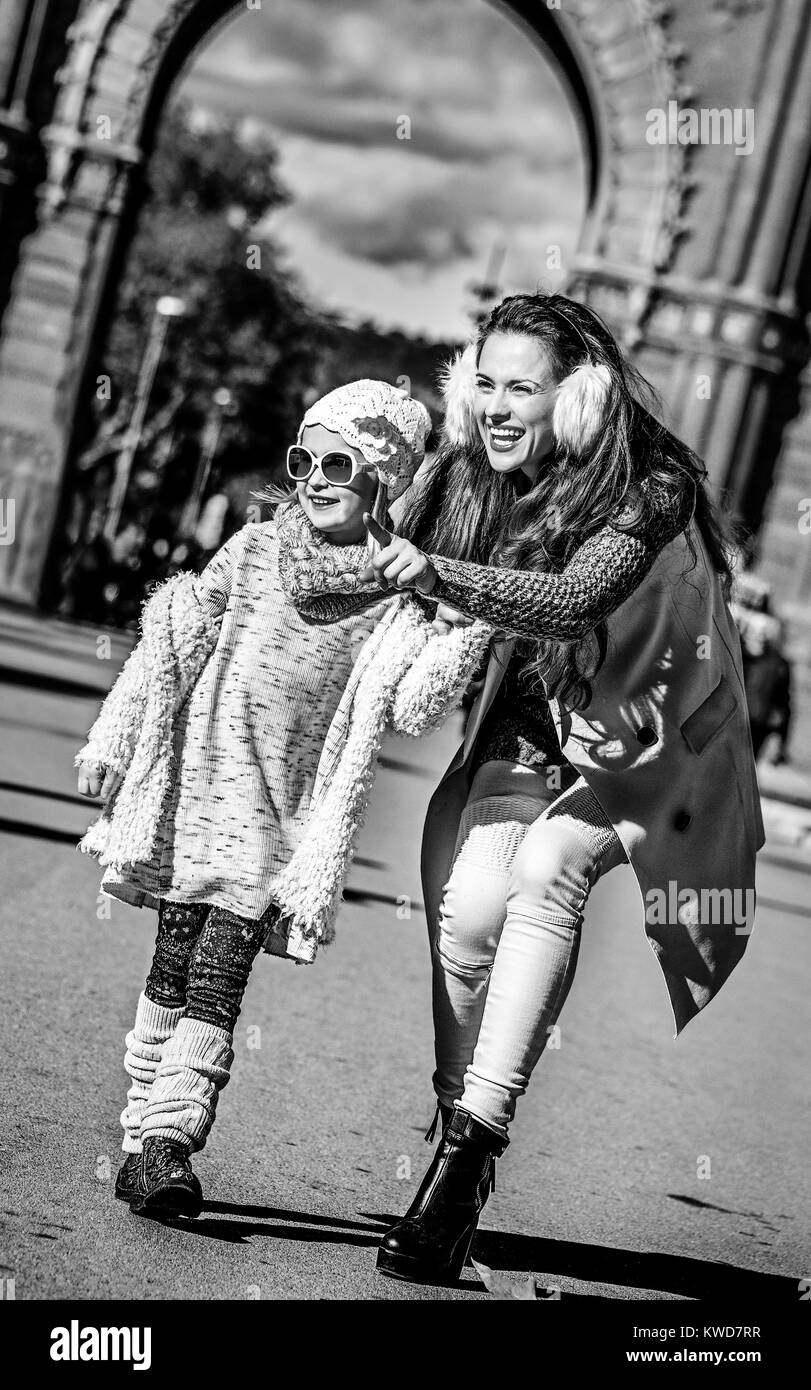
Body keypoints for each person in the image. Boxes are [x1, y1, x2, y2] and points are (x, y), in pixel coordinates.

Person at [294, 292, 764, 1286]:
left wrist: (438, 573)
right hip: (534, 729)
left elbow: (571, 598)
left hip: (658, 739)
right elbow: (351, 556)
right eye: (486, 385)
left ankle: (464, 1162)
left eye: (523, 387)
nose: (498, 407)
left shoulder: (654, 484)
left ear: (583, 397)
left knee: (547, 866)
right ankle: (453, 1110)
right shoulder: (476, 474)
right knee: (465, 917)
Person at [75, 379, 489, 1221]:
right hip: (190, 798)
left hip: (277, 828)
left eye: (338, 461)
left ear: (384, 477)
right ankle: (138, 1138)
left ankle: (168, 1143)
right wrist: (112, 740)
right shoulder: (256, 548)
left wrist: (470, 622)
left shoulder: (396, 591)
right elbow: (171, 639)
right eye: (304, 458)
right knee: (172, 968)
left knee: (218, 980)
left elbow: (415, 707)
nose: (315, 477)